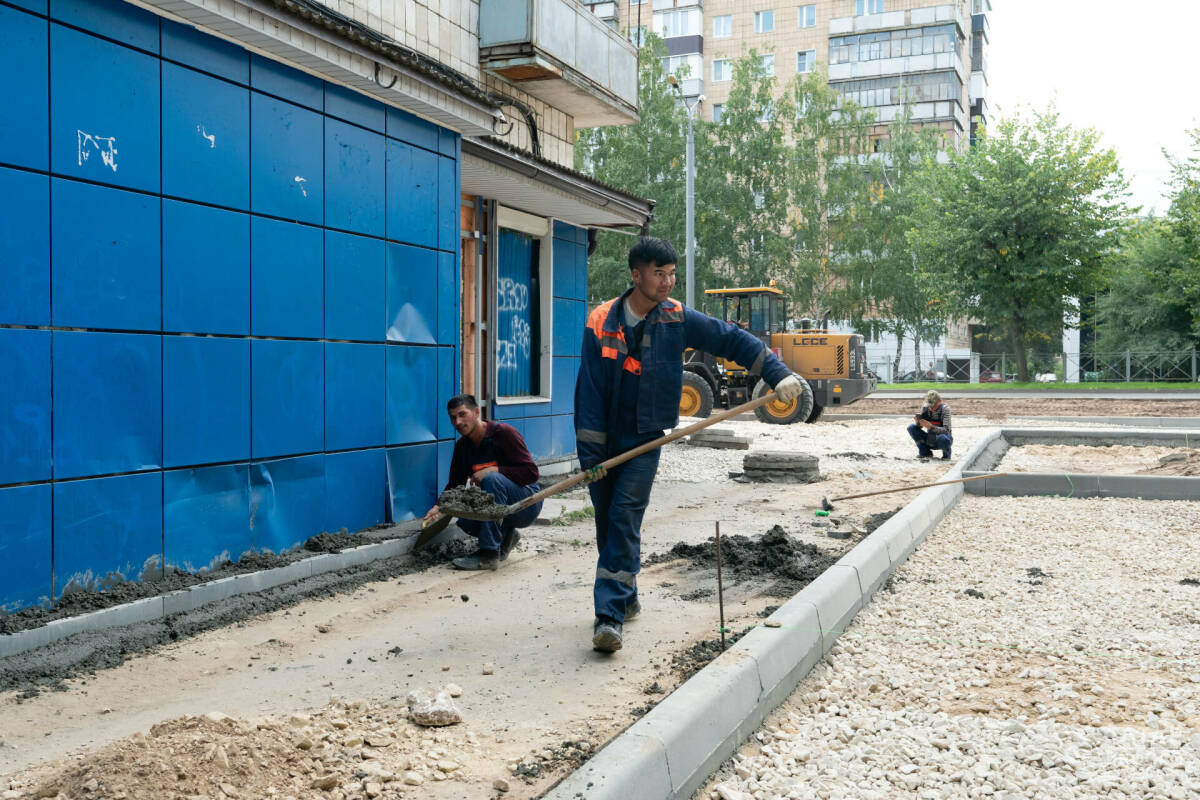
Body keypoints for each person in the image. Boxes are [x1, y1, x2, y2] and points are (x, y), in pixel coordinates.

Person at [574, 237, 806, 653]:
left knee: (625, 517)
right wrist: (590, 456)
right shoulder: (600, 321)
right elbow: (588, 391)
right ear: (637, 275)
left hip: (644, 438)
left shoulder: (676, 318)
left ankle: (607, 616)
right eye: (659, 274)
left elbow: (733, 339)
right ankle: (624, 596)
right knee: (607, 522)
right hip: (604, 441)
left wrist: (776, 372)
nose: (667, 282)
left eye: (672, 274)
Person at [423, 394, 543, 571]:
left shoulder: (503, 434)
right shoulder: (462, 446)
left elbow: (532, 473)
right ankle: (506, 535)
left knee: (491, 479)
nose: (458, 422)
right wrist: (439, 506)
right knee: (466, 520)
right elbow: (454, 485)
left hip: (526, 503)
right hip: (503, 507)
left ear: (477, 412)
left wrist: (495, 470)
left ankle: (489, 554)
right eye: (453, 417)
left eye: (462, 414)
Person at [907, 389, 952, 461]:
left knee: (943, 438)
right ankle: (925, 453)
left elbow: (946, 430)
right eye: (930, 406)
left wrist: (931, 426)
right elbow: (920, 427)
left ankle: (946, 455)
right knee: (911, 428)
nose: (931, 408)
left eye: (934, 406)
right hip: (930, 438)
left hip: (943, 438)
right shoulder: (925, 408)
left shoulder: (945, 409)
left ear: (940, 401)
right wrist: (918, 423)